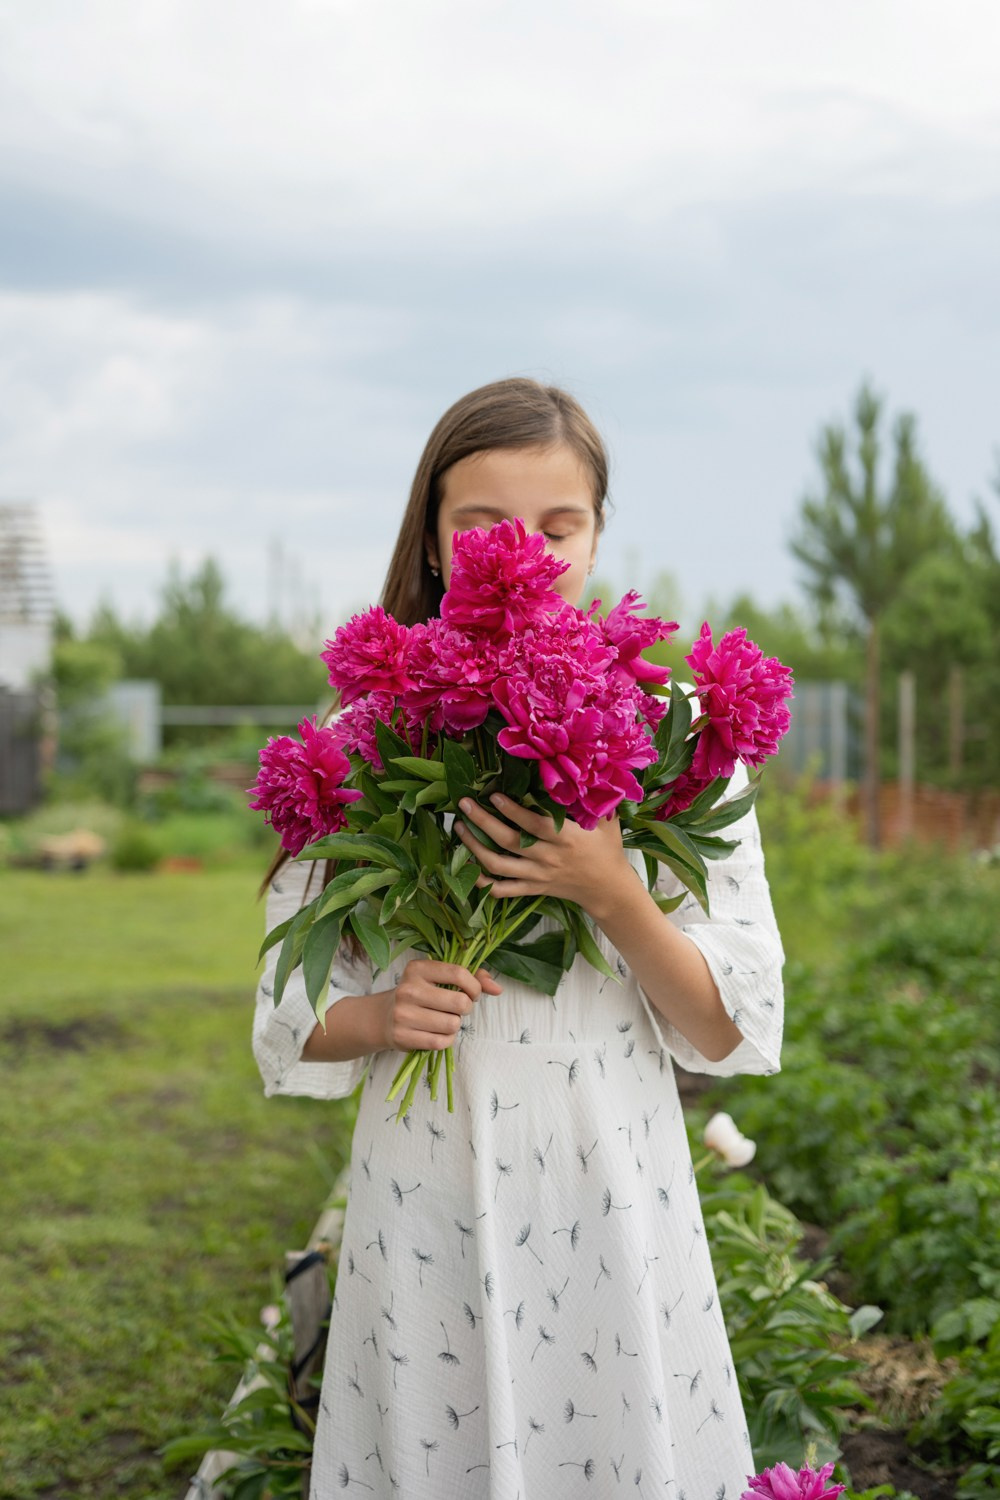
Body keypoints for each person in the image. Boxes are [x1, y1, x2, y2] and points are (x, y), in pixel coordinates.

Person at [253, 377, 785, 1499]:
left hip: (610, 1169)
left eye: (559, 526)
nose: (525, 555)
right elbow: (288, 1021)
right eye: (482, 524)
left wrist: (612, 890)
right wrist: (379, 1017)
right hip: (428, 1176)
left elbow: (728, 1025)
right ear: (436, 542)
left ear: (597, 534)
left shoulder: (679, 737)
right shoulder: (369, 738)